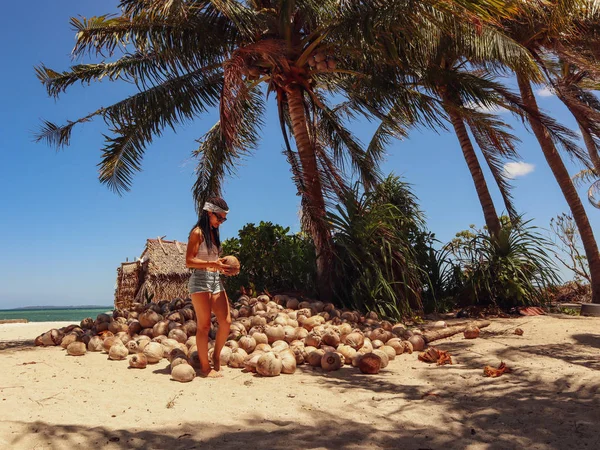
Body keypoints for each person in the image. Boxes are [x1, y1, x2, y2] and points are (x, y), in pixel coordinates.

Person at [185, 197, 236, 378]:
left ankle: (215, 354)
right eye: (219, 218)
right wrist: (213, 264)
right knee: (204, 326)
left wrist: (224, 266)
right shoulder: (197, 233)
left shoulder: (214, 233)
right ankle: (205, 369)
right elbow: (189, 261)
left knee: (226, 321)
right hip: (199, 280)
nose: (221, 222)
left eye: (224, 219)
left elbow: (213, 260)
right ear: (209, 213)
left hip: (215, 279)